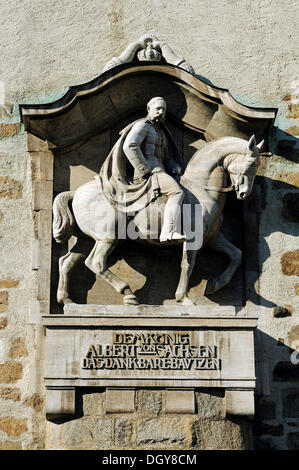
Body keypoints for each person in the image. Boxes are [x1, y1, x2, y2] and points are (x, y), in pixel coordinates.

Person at [122, 97, 186, 242]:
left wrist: (172, 164)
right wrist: (144, 170)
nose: (161, 111)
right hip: (151, 172)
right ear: (148, 108)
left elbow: (164, 156)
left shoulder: (160, 131)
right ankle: (168, 232)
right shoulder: (142, 125)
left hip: (160, 170)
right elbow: (130, 146)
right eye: (158, 108)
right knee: (177, 192)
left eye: (163, 109)